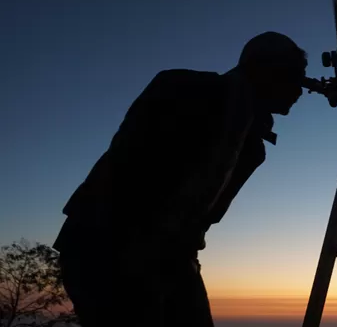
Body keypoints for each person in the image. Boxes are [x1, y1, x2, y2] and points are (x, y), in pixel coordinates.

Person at [53, 32, 308, 327]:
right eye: (294, 77)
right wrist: (141, 249)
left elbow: (206, 213)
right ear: (265, 69)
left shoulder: (252, 146)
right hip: (106, 246)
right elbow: (130, 164)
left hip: (169, 255)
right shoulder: (183, 88)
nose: (300, 90)